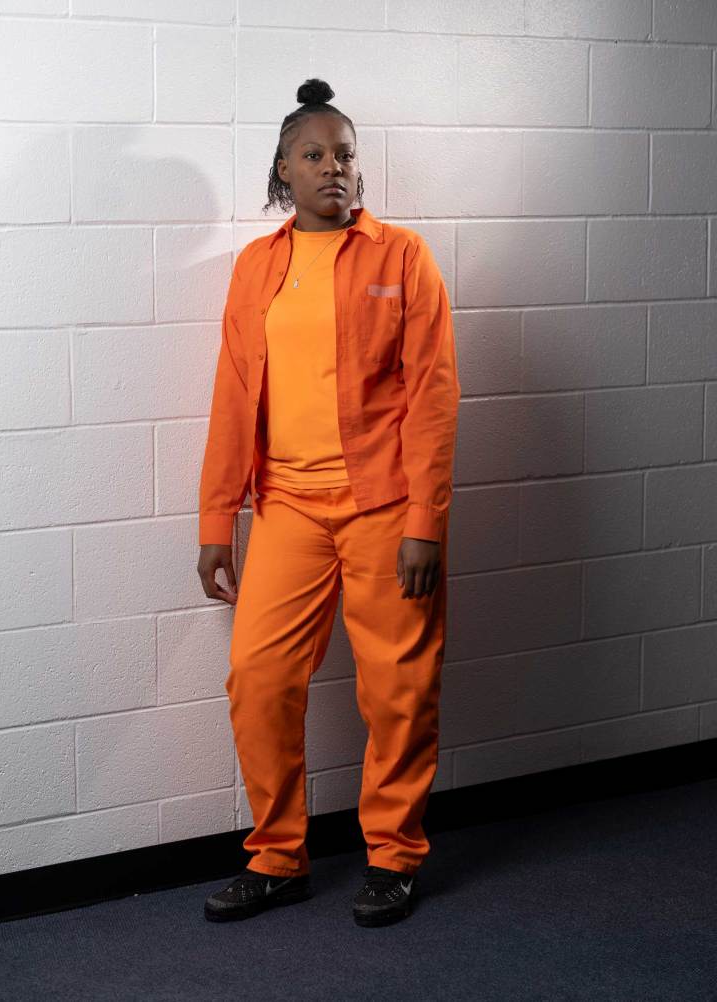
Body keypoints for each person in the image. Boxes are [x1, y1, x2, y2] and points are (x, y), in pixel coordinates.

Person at [198, 78, 460, 928]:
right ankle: (278, 857)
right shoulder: (256, 267)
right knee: (258, 676)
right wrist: (216, 520)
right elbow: (234, 395)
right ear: (283, 168)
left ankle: (395, 856)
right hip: (286, 510)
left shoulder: (402, 257)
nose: (333, 169)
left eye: (345, 154)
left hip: (386, 508)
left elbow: (433, 395)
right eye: (313, 155)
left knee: (398, 688)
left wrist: (425, 521)